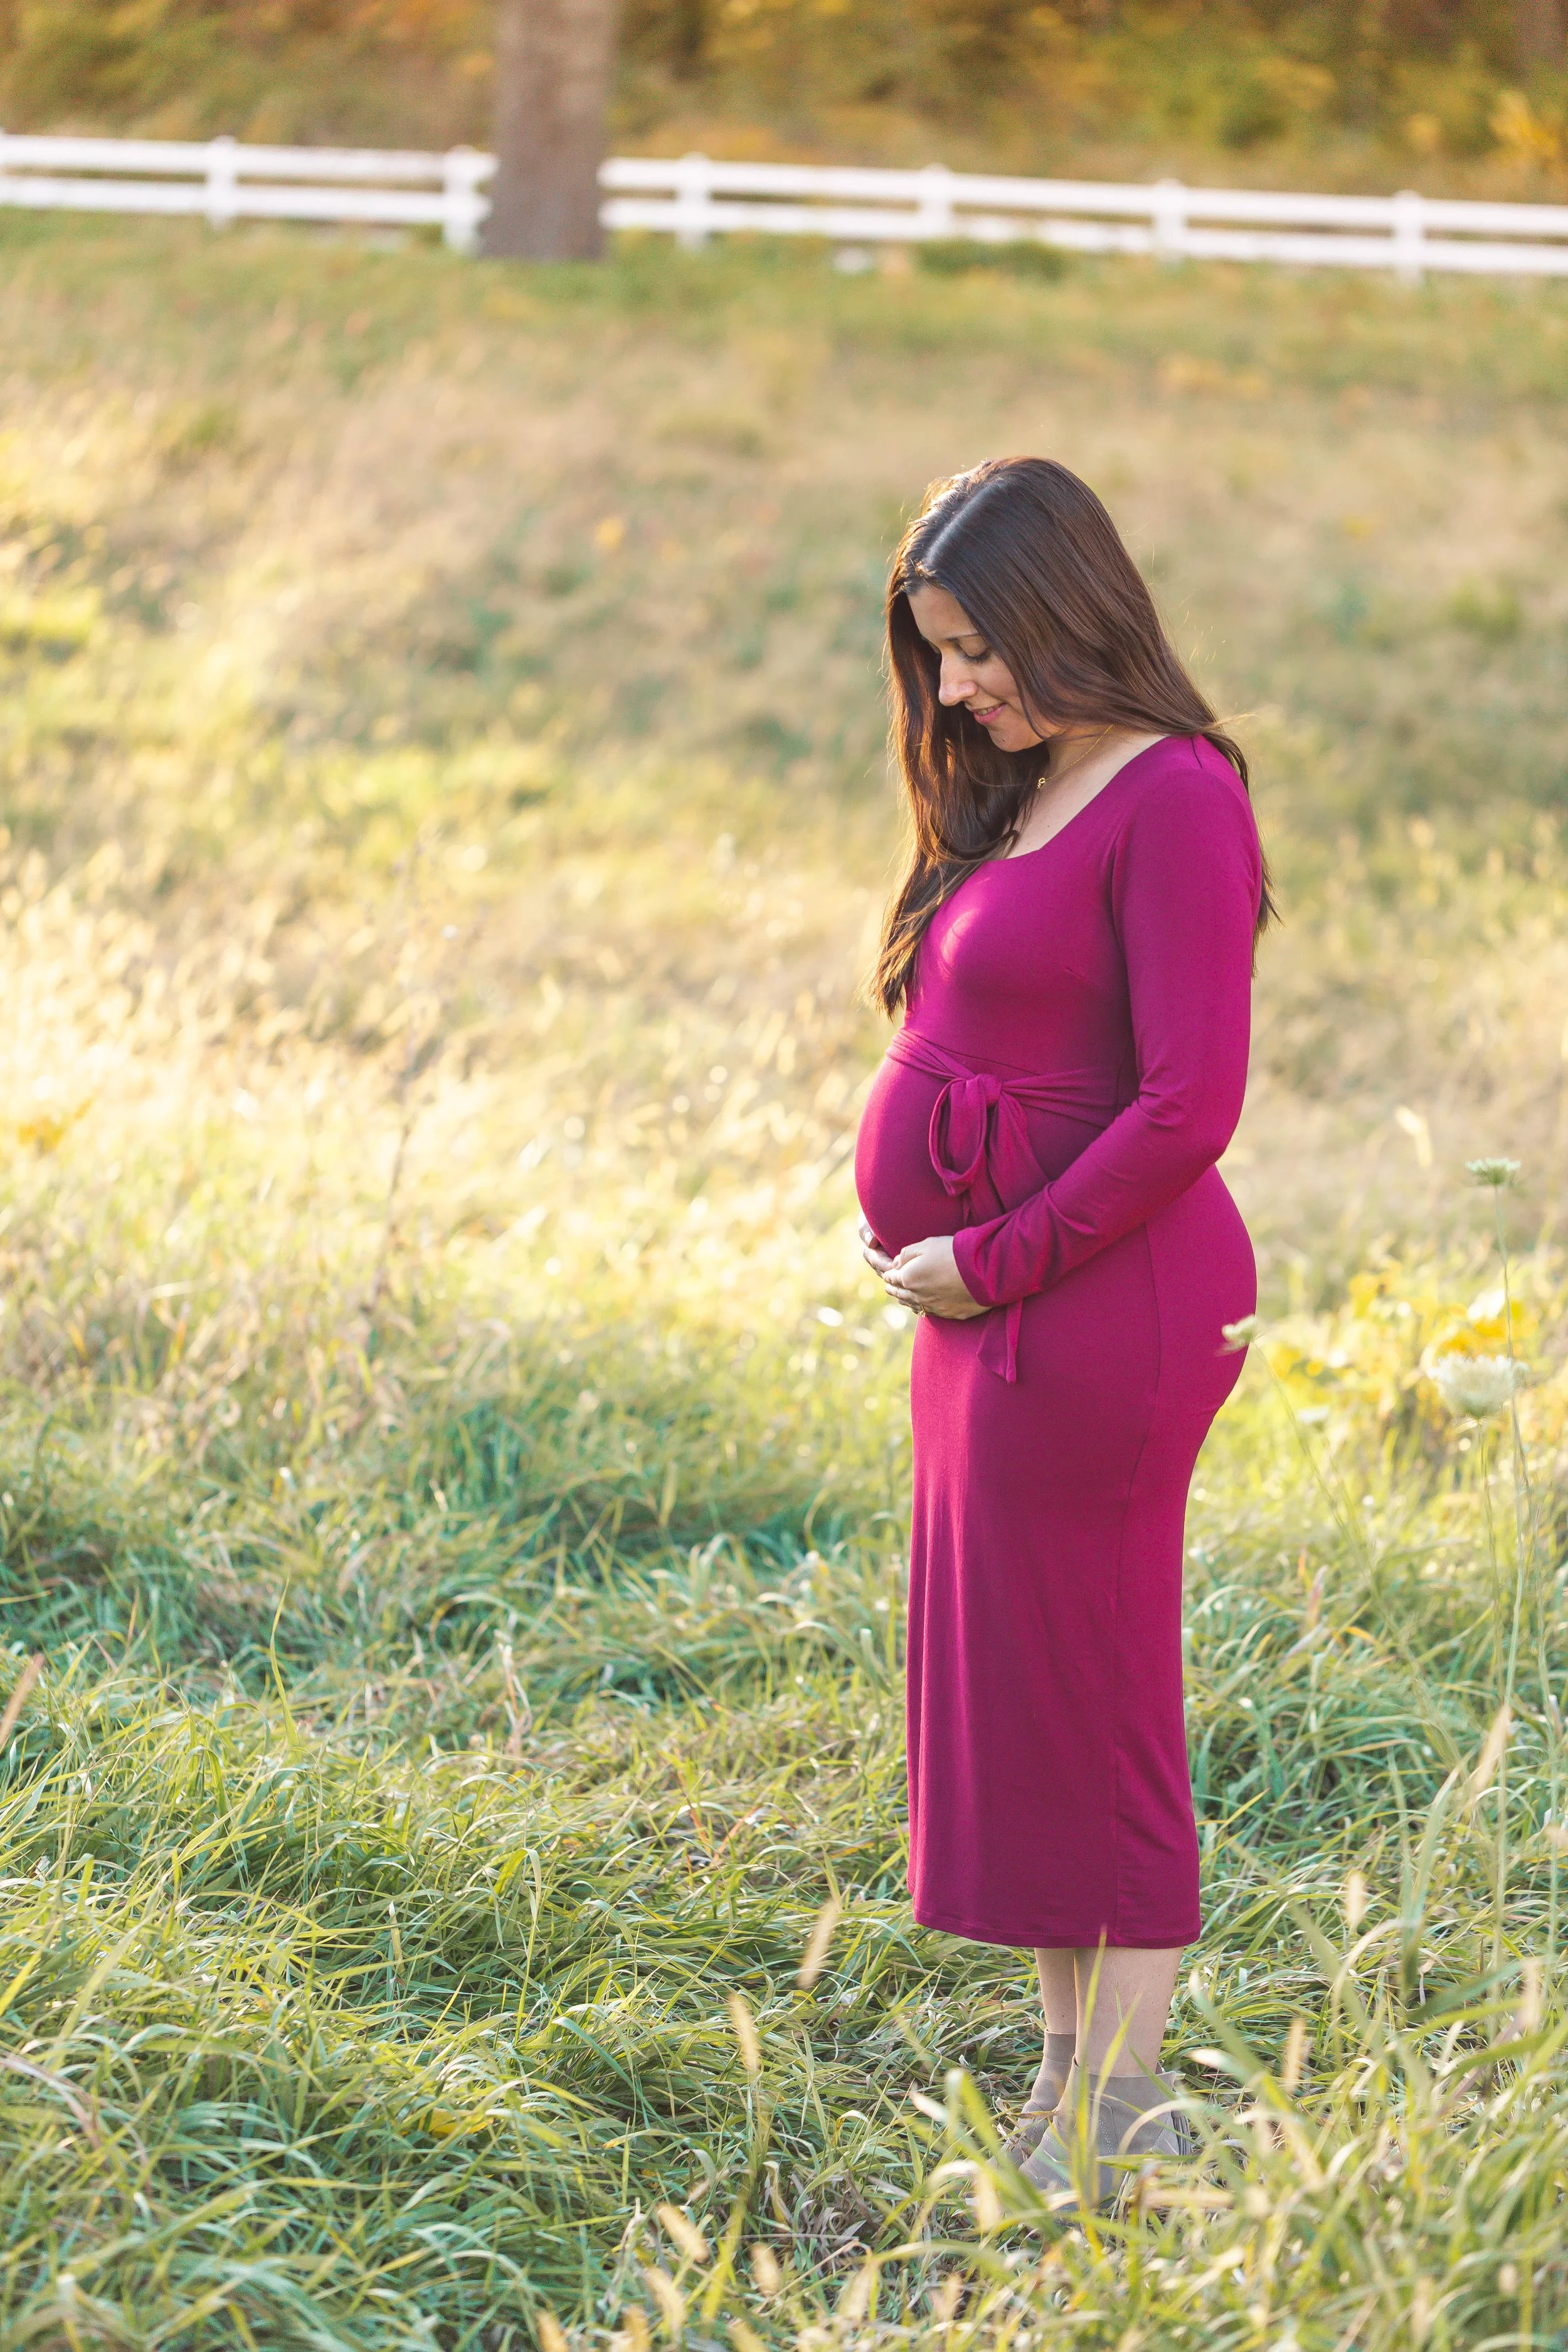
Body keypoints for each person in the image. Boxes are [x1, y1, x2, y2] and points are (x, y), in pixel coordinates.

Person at [854, 457, 1272, 2210]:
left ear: (1062, 610)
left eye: (973, 649)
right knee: (1013, 1694)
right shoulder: (1025, 788)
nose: (955, 689)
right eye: (935, 657)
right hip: (991, 1308)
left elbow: (1188, 1105)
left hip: (1099, 1307)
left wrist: (999, 1252)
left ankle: (1125, 2113)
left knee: (1093, 1694)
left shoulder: (1172, 795)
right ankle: (1054, 2080)